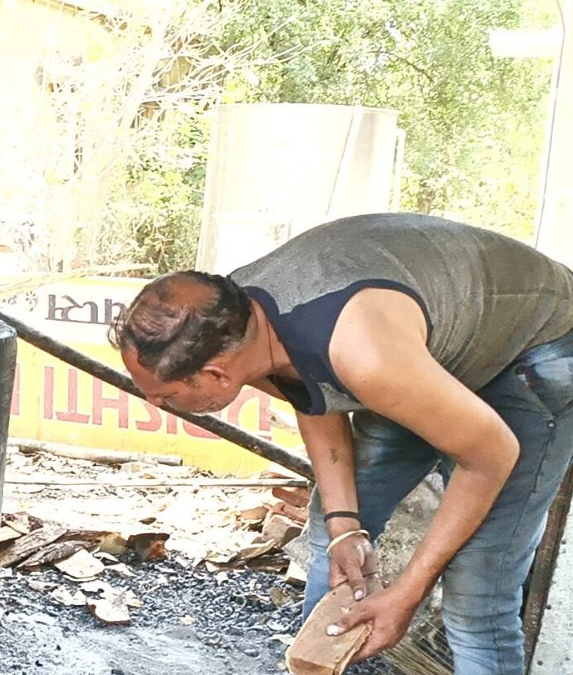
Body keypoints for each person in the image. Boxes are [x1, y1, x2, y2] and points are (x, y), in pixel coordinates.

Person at [110, 213, 573, 675]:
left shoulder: (365, 358)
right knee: (335, 529)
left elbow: (491, 456)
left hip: (536, 342)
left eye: (165, 395)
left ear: (216, 375)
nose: (156, 404)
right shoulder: (232, 325)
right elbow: (313, 396)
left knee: (478, 589)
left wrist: (405, 596)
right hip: (429, 344)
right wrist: (345, 527)